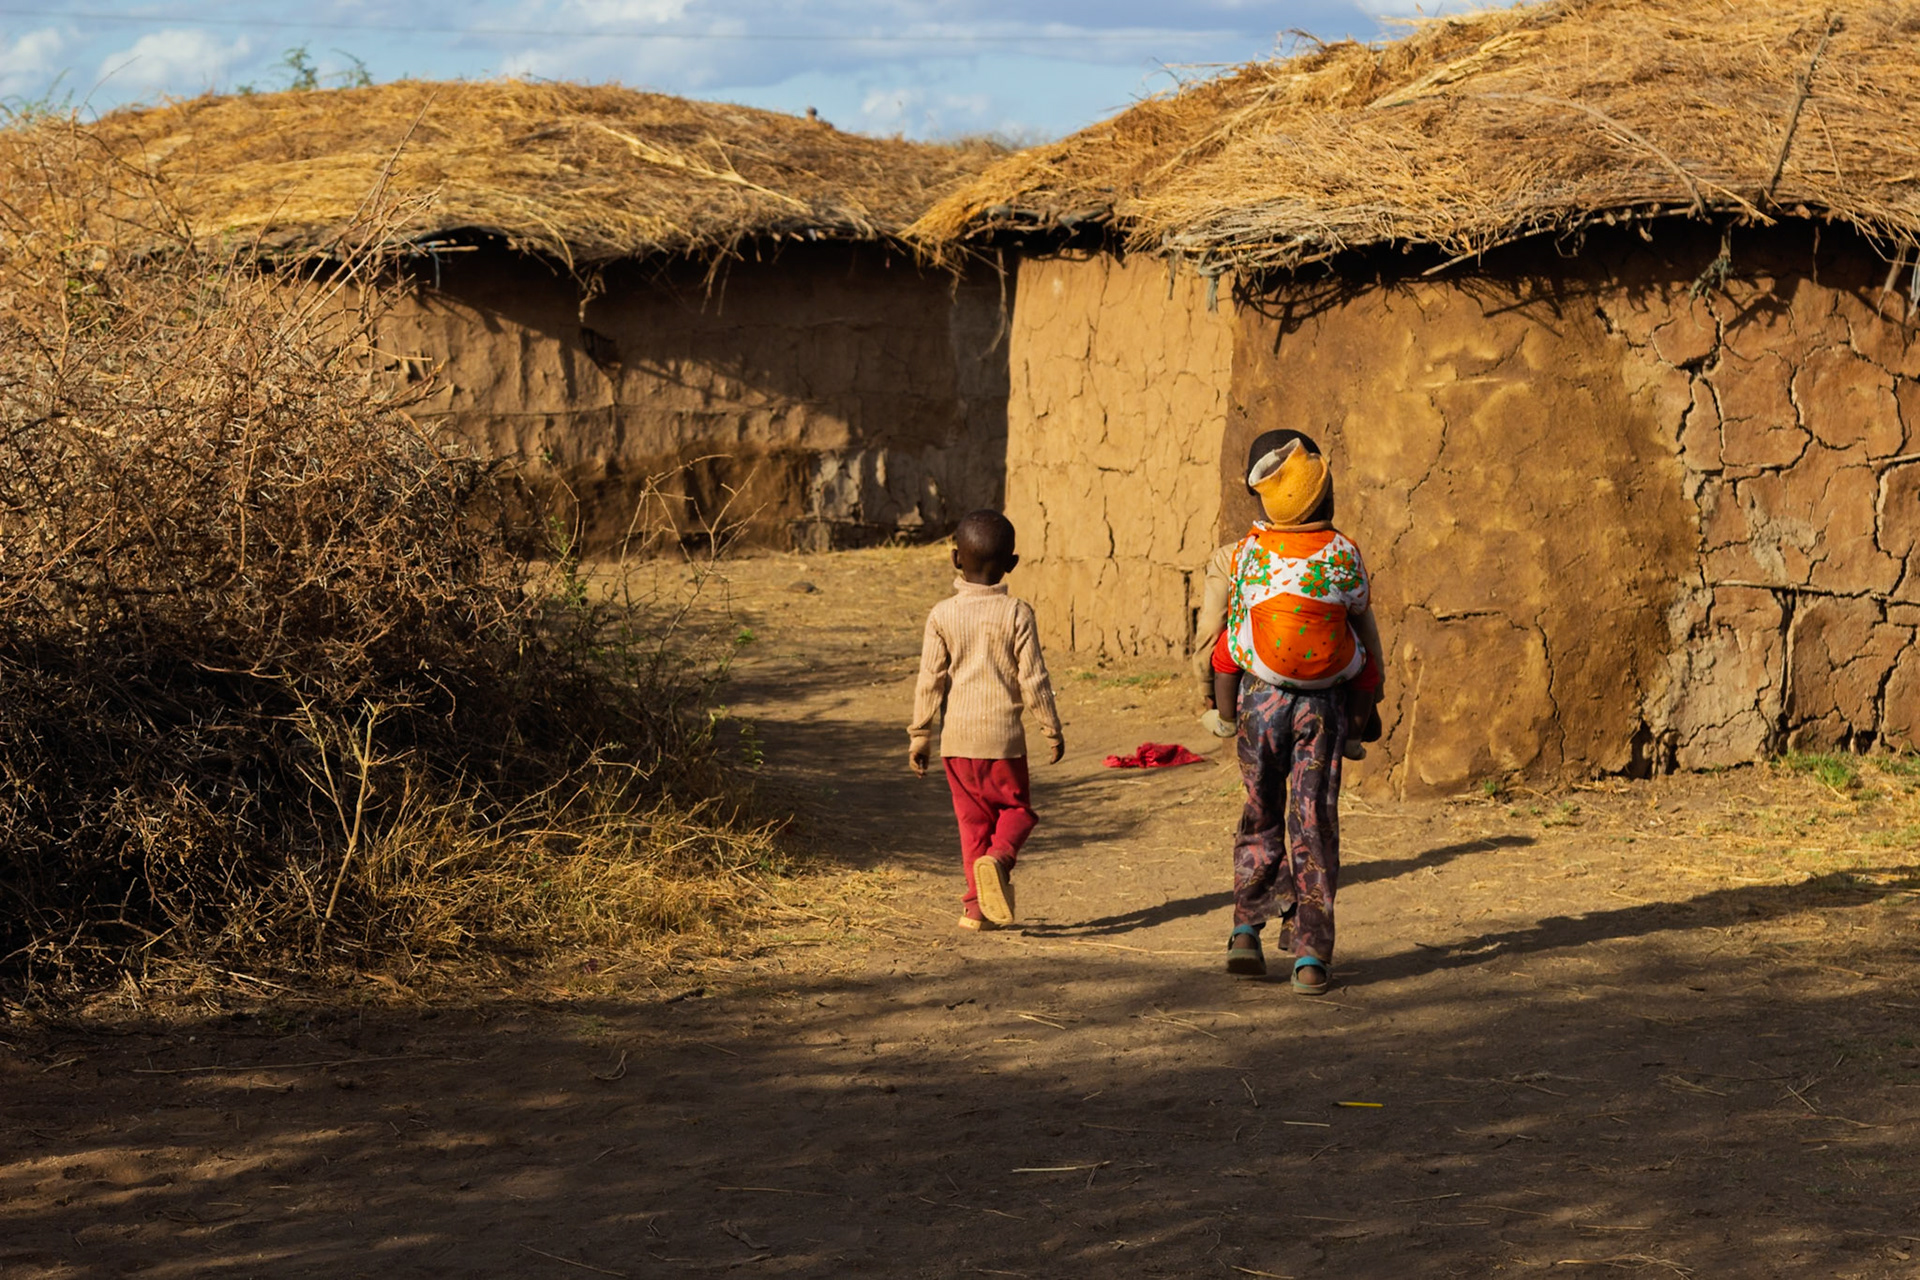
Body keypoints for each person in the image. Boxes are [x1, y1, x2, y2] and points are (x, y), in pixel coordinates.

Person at [1216, 435, 1385, 992]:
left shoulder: (1247, 554)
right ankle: (1311, 956)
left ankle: (1246, 928)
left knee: (1260, 806)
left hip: (1259, 702)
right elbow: (1360, 620)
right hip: (1323, 706)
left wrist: (1223, 710)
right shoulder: (1344, 553)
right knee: (1313, 820)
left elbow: (1230, 639)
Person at [908, 510, 1065, 931]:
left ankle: (976, 911)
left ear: (955, 559)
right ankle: (998, 861)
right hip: (1003, 742)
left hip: (956, 744)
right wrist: (1051, 726)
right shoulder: (1017, 613)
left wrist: (920, 735)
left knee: (972, 824)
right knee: (1017, 811)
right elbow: (1033, 677)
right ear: (1011, 563)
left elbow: (930, 679)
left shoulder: (941, 615)